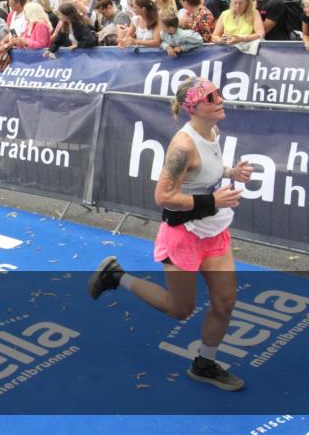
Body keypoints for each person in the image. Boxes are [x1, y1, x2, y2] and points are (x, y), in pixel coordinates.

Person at [89, 76, 253, 392]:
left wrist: (230, 172)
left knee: (225, 302)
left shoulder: (212, 130)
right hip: (183, 234)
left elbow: (206, 169)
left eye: (218, 93)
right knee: (181, 310)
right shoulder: (182, 145)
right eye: (210, 97)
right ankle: (117, 277)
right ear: (193, 107)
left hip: (214, 230)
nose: (219, 100)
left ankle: (204, 363)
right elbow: (163, 197)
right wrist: (213, 200)